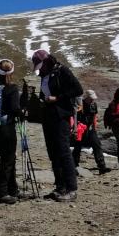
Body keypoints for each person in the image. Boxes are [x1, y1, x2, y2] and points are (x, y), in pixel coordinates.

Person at [31, 49, 83, 202]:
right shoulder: (44, 75)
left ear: (47, 61)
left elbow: (77, 90)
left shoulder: (62, 71)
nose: (40, 68)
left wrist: (58, 98)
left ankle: (71, 188)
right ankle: (60, 187)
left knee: (63, 151)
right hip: (48, 116)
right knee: (53, 152)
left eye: (41, 65)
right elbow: (44, 94)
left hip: (61, 116)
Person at [0, 59, 22, 204]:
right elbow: (15, 108)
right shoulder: (12, 87)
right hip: (7, 126)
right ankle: (1, 192)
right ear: (12, 71)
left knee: (7, 157)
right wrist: (22, 112)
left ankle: (12, 190)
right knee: (8, 159)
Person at [72, 90, 111, 175]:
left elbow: (94, 116)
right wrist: (75, 128)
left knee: (97, 145)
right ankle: (74, 166)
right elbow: (74, 116)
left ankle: (102, 167)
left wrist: (94, 127)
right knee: (77, 147)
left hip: (90, 128)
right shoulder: (80, 105)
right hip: (80, 128)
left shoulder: (94, 105)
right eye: (91, 98)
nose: (93, 100)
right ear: (87, 98)